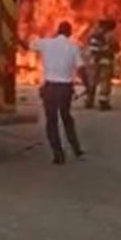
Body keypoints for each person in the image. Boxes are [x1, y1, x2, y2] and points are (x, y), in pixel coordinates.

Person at [28, 21, 85, 164]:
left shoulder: (46, 43)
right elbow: (81, 68)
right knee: (66, 118)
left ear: (57, 31)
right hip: (65, 89)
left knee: (51, 121)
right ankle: (76, 148)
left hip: (50, 88)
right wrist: (89, 85)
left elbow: (28, 46)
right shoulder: (73, 47)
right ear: (70, 33)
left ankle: (58, 153)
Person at [84, 19, 120, 110]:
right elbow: (116, 49)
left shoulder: (92, 35)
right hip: (105, 62)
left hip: (93, 62)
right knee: (105, 82)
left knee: (91, 82)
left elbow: (89, 47)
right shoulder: (110, 36)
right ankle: (103, 102)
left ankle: (89, 100)